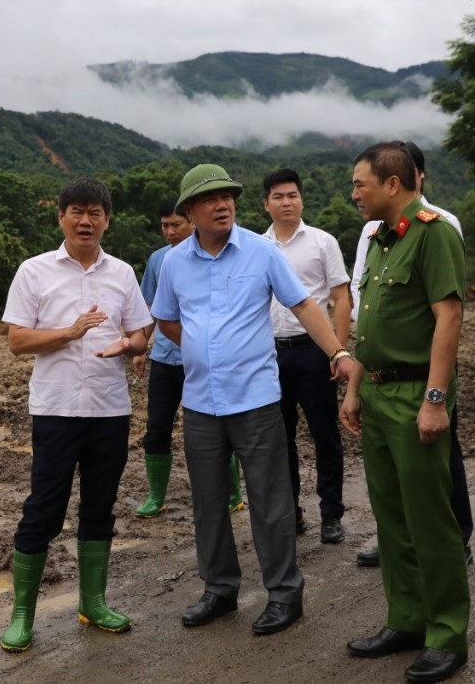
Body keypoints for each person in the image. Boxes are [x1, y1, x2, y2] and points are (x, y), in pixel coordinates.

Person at [152, 163, 356, 637]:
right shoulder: (174, 263)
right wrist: (204, 350)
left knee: (271, 502)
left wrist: (338, 351)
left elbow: (305, 305)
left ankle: (285, 594)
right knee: (208, 502)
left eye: (228, 197)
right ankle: (220, 589)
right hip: (201, 402)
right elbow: (166, 319)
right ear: (190, 211)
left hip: (257, 399)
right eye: (211, 199)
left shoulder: (262, 252)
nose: (223, 205)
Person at [0, 177, 154, 653]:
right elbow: (17, 340)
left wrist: (129, 345)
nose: (86, 221)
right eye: (77, 212)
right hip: (57, 409)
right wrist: (69, 332)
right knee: (43, 509)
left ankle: (93, 601)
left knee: (99, 508)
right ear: (61, 216)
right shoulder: (35, 271)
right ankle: (22, 614)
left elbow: (143, 335)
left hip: (109, 410)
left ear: (107, 220)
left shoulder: (122, 273)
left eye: (96, 213)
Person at [340, 141, 470, 684]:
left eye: (359, 185)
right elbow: (371, 324)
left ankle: (446, 633)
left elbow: (449, 318)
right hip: (376, 391)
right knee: (391, 516)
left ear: (393, 185)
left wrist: (435, 400)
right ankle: (407, 619)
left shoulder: (434, 231)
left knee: (429, 519)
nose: (353, 195)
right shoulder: (378, 240)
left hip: (417, 393)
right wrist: (353, 391)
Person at [132, 200, 244, 518]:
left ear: (192, 221)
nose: (169, 231)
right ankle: (156, 496)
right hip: (167, 359)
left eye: (175, 224)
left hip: (207, 361)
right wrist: (142, 348)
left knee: (219, 424)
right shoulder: (158, 260)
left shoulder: (214, 256)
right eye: (164, 225)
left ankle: (232, 492)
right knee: (157, 427)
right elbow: (153, 308)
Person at [261, 168, 351, 543]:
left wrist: (338, 350)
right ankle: (291, 511)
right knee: (279, 439)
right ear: (266, 204)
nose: (287, 202)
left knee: (324, 434)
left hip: (314, 352)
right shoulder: (255, 246)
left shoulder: (321, 242)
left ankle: (331, 513)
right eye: (279, 196)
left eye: (293, 195)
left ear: (302, 199)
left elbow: (341, 297)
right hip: (270, 355)